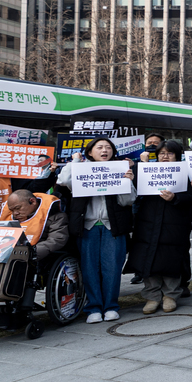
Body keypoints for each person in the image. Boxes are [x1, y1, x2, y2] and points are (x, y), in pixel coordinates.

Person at [59, 137, 135, 323]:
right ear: (90, 152)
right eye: (99, 147)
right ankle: (93, 308)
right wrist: (75, 162)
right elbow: (63, 180)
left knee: (112, 268)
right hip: (87, 227)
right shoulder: (81, 168)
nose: (104, 150)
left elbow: (127, 201)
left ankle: (110, 306)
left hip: (113, 227)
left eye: (108, 147)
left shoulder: (119, 169)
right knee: (89, 269)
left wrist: (127, 182)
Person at [126, 140, 192, 314]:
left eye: (169, 153)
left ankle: (171, 295)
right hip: (148, 221)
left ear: (177, 156)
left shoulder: (186, 171)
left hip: (175, 222)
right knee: (148, 257)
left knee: (171, 258)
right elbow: (133, 190)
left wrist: (175, 198)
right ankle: (152, 296)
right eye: (162, 153)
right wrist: (134, 171)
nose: (165, 157)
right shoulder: (146, 170)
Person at [0, 189, 69, 261]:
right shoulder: (10, 218)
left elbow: (56, 240)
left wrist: (31, 252)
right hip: (10, 254)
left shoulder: (55, 216)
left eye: (18, 208)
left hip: (38, 256)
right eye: (12, 210)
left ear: (32, 202)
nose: (15, 213)